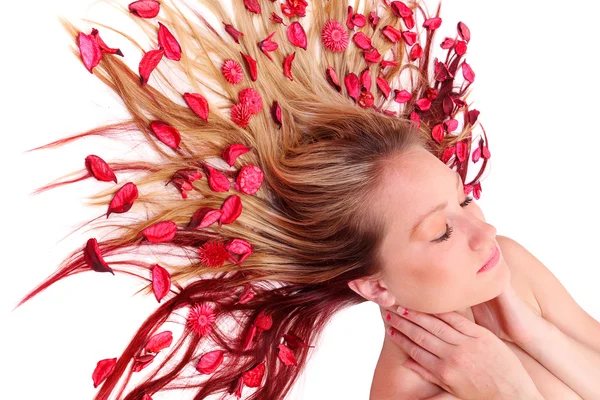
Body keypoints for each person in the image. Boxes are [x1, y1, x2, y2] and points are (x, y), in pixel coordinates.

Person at [7, 0, 600, 399]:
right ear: (376, 286)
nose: (483, 233)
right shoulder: (416, 384)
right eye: (440, 231)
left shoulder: (506, 267)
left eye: (464, 202)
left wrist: (530, 333)